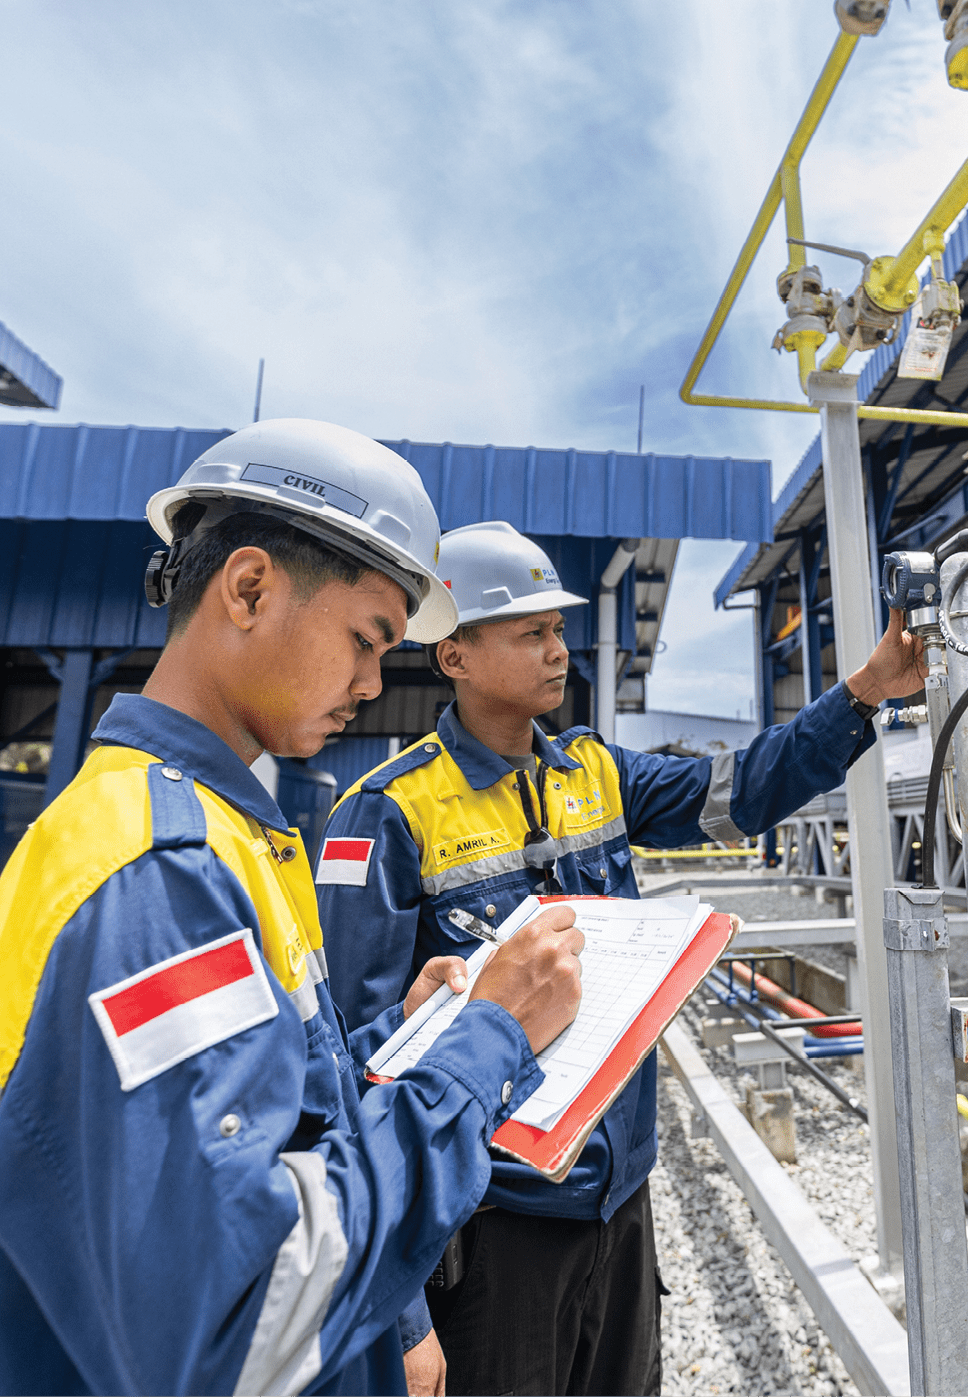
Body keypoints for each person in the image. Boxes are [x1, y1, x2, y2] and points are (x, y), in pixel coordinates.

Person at [0, 424, 586, 1397]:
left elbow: (262, 1117)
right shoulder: (160, 869)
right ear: (248, 588)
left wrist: (390, 1036)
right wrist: (487, 1040)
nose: (369, 682)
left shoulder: (222, 830)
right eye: (365, 639)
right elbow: (244, 1307)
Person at [315, 519, 928, 1397]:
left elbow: (743, 791)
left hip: (618, 1201)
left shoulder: (597, 773)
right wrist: (401, 1313)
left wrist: (866, 691)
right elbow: (352, 1066)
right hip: (491, 1228)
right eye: (530, 632)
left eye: (558, 628)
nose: (557, 649)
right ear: (453, 655)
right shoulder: (388, 814)